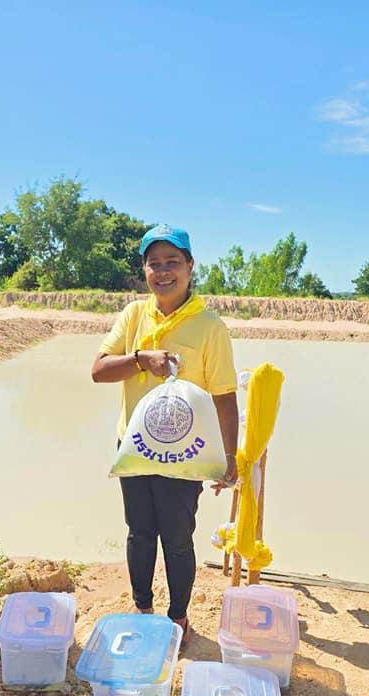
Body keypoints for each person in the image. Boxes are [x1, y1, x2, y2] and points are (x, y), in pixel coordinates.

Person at [91, 224, 239, 639]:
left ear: (190, 266)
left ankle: (177, 619)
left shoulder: (210, 327)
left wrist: (229, 458)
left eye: (172, 262)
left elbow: (225, 396)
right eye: (153, 264)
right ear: (145, 271)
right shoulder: (133, 316)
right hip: (135, 446)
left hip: (185, 453)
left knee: (177, 537)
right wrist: (141, 359)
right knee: (139, 531)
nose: (163, 272)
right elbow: (99, 370)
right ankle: (142, 607)